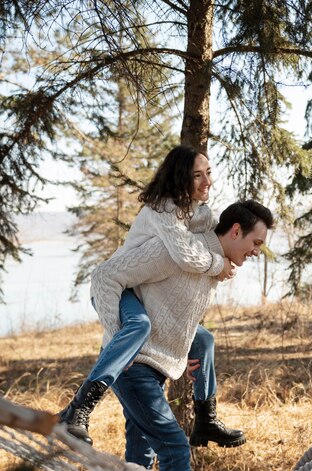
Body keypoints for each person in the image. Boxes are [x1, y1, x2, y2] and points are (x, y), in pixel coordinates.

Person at [102, 199, 274, 471]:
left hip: (156, 363)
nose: (256, 252)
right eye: (256, 242)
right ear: (235, 232)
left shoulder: (210, 263)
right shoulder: (180, 253)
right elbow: (114, 279)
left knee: (139, 458)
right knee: (174, 449)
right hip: (133, 367)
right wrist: (120, 347)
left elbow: (171, 313)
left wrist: (180, 353)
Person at [59, 146, 243, 448]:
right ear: (179, 178)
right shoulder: (162, 209)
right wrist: (118, 338)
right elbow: (186, 255)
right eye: (197, 176)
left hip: (145, 295)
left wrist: (183, 349)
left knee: (203, 341)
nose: (206, 181)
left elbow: (210, 244)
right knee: (139, 326)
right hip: (116, 288)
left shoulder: (201, 213)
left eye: (208, 173)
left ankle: (205, 418)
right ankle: (80, 409)